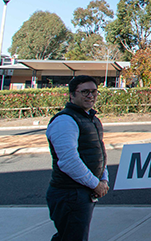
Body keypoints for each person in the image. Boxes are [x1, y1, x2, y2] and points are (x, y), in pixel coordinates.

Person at [46, 75, 109, 241]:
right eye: (85, 92)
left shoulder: (92, 119)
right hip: (69, 194)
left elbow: (99, 152)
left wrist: (104, 179)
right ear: (72, 95)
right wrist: (96, 184)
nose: (90, 95)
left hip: (83, 192)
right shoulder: (65, 121)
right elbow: (69, 162)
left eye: (94, 91)